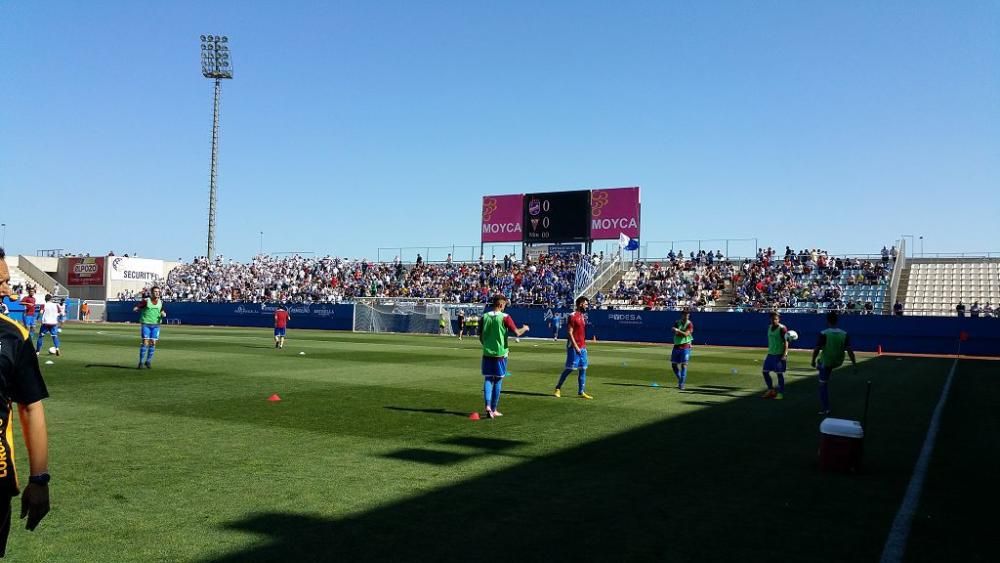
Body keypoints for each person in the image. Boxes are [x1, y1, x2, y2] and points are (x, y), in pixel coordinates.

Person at [0, 253, 52, 557]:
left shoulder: (13, 336)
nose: (6, 289)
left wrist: (39, 479)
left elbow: (31, 407)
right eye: (1, 282)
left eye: (7, 281)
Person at [479, 295, 529, 419]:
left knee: (488, 379)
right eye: (505, 305)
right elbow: (517, 332)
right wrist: (525, 328)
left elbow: (480, 335)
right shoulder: (505, 317)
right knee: (498, 380)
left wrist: (486, 346)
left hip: (487, 353)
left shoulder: (484, 316)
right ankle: (494, 409)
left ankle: (487, 406)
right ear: (501, 305)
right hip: (500, 354)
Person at [811, 312, 857, 416]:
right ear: (837, 321)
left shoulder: (824, 333)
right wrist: (854, 364)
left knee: (822, 385)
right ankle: (819, 365)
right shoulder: (844, 334)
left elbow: (817, 349)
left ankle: (825, 408)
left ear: (827, 321)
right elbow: (850, 351)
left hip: (827, 362)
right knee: (823, 365)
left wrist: (813, 360)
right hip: (838, 362)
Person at [553, 296, 593, 400]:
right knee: (569, 369)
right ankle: (558, 388)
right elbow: (570, 332)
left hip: (582, 347)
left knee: (583, 369)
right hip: (573, 347)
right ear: (580, 304)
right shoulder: (572, 316)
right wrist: (576, 347)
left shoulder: (582, 316)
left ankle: (581, 392)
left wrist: (583, 346)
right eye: (586, 304)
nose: (587, 306)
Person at [133, 286, 166, 369]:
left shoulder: (160, 302)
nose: (157, 293)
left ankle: (148, 361)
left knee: (153, 343)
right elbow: (138, 306)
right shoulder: (146, 301)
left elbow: (162, 310)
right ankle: (141, 362)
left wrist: (163, 314)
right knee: (145, 342)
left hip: (156, 325)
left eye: (158, 291)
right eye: (155, 291)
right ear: (151, 293)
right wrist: (136, 308)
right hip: (146, 324)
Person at [761, 312, 788, 400]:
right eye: (772, 319)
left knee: (779, 374)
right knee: (765, 372)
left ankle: (780, 393)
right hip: (770, 354)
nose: (774, 320)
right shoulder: (769, 327)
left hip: (779, 354)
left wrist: (784, 354)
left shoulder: (782, 328)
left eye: (776, 319)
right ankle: (771, 390)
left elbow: (786, 342)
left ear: (778, 319)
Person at [670, 310, 695, 389]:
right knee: (674, 365)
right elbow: (674, 331)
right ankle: (681, 379)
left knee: (684, 365)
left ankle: (681, 384)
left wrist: (678, 330)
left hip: (685, 346)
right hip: (677, 345)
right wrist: (677, 331)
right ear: (682, 315)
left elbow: (686, 334)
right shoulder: (677, 322)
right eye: (685, 315)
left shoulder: (689, 324)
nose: (686, 316)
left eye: (688, 315)